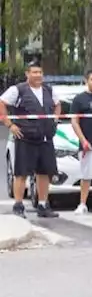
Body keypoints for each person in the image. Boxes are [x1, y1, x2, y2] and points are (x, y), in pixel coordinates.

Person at [0, 61, 61, 218]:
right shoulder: (17, 90)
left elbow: (58, 104)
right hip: (25, 137)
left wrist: (55, 119)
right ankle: (18, 206)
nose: (38, 75)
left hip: (46, 138)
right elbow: (2, 103)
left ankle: (42, 205)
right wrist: (10, 125)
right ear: (27, 74)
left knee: (44, 172)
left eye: (40, 72)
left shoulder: (49, 90)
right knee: (21, 173)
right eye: (34, 72)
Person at [70, 69, 92, 214]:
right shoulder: (79, 99)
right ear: (87, 81)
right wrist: (83, 140)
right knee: (86, 175)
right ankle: (82, 204)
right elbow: (74, 121)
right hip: (87, 143)